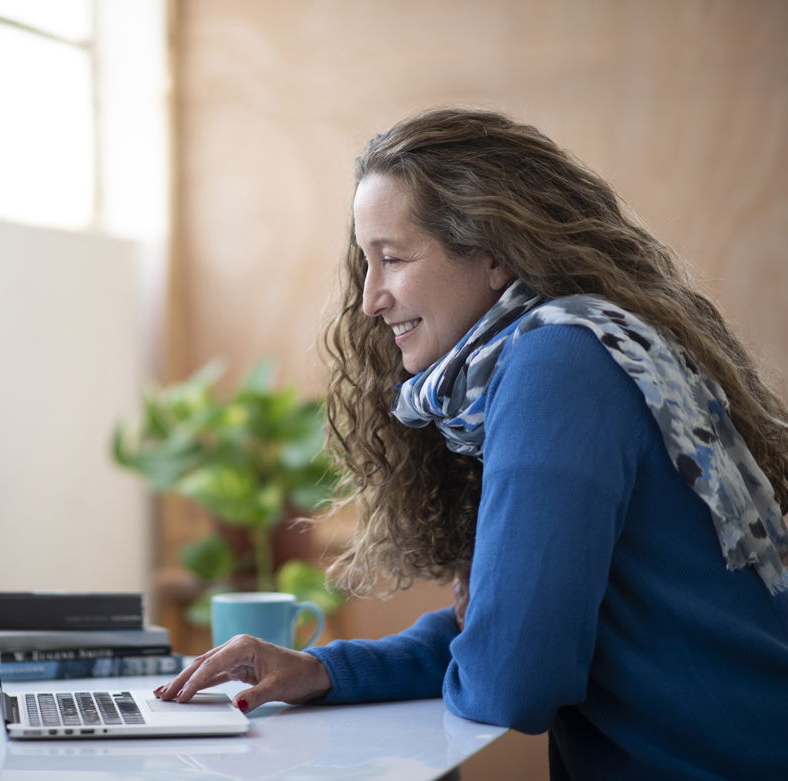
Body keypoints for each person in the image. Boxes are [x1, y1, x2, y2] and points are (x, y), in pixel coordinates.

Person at [155, 108, 788, 780]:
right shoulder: (581, 349)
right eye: (365, 262)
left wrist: (492, 642)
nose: (370, 298)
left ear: (492, 254)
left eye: (392, 258)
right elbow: (503, 635)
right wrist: (320, 668)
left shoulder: (558, 366)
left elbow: (512, 676)